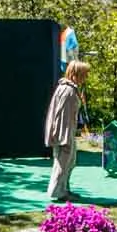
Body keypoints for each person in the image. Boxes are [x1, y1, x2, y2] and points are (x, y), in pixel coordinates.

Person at [46, 60, 88, 202]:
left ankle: (64, 189)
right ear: (77, 73)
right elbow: (61, 115)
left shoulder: (69, 88)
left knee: (70, 162)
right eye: (84, 74)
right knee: (63, 163)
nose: (86, 77)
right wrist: (64, 136)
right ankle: (58, 191)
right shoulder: (68, 90)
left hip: (67, 131)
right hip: (64, 132)